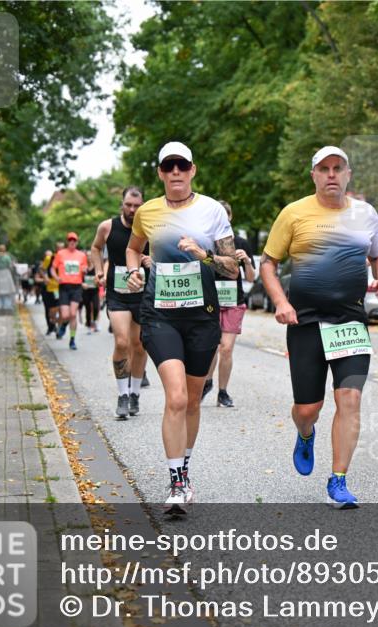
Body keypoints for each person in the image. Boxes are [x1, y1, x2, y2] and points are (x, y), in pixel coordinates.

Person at [260, 146, 378, 509]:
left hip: (350, 320)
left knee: (348, 398)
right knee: (308, 408)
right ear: (314, 175)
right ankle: (305, 433)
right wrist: (282, 303)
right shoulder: (294, 213)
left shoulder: (365, 214)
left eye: (338, 168)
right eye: (324, 169)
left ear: (348, 175)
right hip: (305, 322)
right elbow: (268, 263)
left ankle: (339, 480)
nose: (332, 174)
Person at [124, 141, 238, 512]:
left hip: (202, 316)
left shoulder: (211, 212)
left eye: (182, 165)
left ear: (192, 170)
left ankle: (184, 470)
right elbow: (132, 247)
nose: (175, 172)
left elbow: (231, 267)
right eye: (168, 166)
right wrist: (133, 271)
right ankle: (175, 484)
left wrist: (203, 254)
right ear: (160, 172)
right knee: (174, 397)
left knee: (191, 400)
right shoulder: (147, 212)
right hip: (160, 315)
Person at [91, 186, 150, 419]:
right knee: (122, 341)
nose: (132, 209)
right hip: (117, 293)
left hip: (143, 293)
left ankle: (135, 393)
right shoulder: (108, 227)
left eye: (137, 206)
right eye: (128, 205)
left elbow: (161, 254)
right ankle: (122, 395)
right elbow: (96, 248)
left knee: (140, 345)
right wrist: (98, 270)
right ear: (122, 204)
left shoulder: (149, 229)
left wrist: (149, 259)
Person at [202, 200, 255, 408]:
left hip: (234, 301)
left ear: (230, 218)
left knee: (226, 348)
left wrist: (248, 262)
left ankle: (223, 392)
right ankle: (207, 381)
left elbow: (251, 278)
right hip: (211, 302)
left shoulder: (241, 243)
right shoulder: (206, 243)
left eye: (225, 216)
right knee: (211, 348)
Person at [51, 232, 89, 350]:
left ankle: (72, 340)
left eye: (74, 240)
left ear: (77, 242)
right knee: (66, 314)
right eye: (70, 240)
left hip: (76, 287)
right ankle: (63, 325)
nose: (72, 242)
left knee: (73, 314)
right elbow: (53, 268)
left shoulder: (82, 255)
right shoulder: (60, 254)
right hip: (64, 287)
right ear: (67, 242)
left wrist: (85, 270)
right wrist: (56, 277)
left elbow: (85, 269)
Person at [41, 247, 61, 334]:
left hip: (61, 289)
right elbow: (42, 269)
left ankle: (58, 328)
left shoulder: (65, 258)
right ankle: (52, 324)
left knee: (60, 309)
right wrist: (45, 278)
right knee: (50, 310)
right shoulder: (49, 259)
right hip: (50, 289)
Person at [0, 244, 17, 311]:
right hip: (6, 273)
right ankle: (7, 306)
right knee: (7, 291)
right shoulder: (7, 257)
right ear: (5, 250)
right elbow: (10, 266)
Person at [81, 264, 100, 332]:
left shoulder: (96, 267)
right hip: (86, 291)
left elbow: (101, 277)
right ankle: (88, 325)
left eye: (90, 256)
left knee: (95, 307)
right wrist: (81, 284)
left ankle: (94, 321)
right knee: (88, 309)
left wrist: (98, 282)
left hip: (95, 291)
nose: (89, 257)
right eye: (88, 256)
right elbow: (78, 277)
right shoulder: (83, 267)